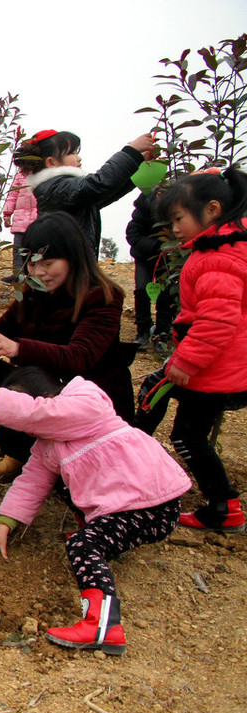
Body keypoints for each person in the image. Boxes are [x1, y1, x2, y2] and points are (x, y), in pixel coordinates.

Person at [0, 368, 190, 655]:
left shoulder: (86, 401)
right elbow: (31, 483)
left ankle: (102, 626)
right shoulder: (49, 443)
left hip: (152, 502)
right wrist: (3, 526)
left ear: (46, 399)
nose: (28, 428)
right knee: (70, 499)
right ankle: (105, 547)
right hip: (123, 505)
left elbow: (40, 414)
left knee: (83, 544)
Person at [0, 212, 134, 482]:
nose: (38, 272)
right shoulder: (33, 293)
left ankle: (62, 464)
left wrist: (18, 349)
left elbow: (81, 356)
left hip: (89, 402)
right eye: (32, 264)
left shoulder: (102, 297)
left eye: (48, 263)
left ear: (74, 257)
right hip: (43, 391)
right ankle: (21, 454)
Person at [151, 166, 247, 532]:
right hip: (220, 363)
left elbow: (218, 321)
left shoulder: (218, 258)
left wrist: (186, 361)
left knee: (187, 436)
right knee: (187, 432)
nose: (174, 228)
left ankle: (223, 507)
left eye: (178, 218)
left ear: (211, 210)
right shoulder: (225, 248)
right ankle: (224, 505)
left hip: (215, 369)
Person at [14, 128, 156, 256]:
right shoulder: (57, 188)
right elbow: (100, 184)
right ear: (52, 162)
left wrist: (137, 163)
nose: (79, 157)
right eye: (72, 153)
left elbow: (106, 193)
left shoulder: (60, 188)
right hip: (70, 268)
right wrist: (130, 152)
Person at [126, 190, 177, 351]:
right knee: (142, 290)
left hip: (168, 261)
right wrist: (157, 246)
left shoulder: (179, 207)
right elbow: (132, 234)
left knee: (166, 294)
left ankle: (161, 333)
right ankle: (142, 331)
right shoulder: (143, 208)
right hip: (145, 257)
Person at [1, 169, 38, 283]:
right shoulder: (21, 175)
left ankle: (34, 275)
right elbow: (12, 195)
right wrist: (7, 214)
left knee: (36, 250)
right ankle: (18, 274)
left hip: (38, 220)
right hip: (20, 219)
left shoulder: (45, 172)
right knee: (18, 249)